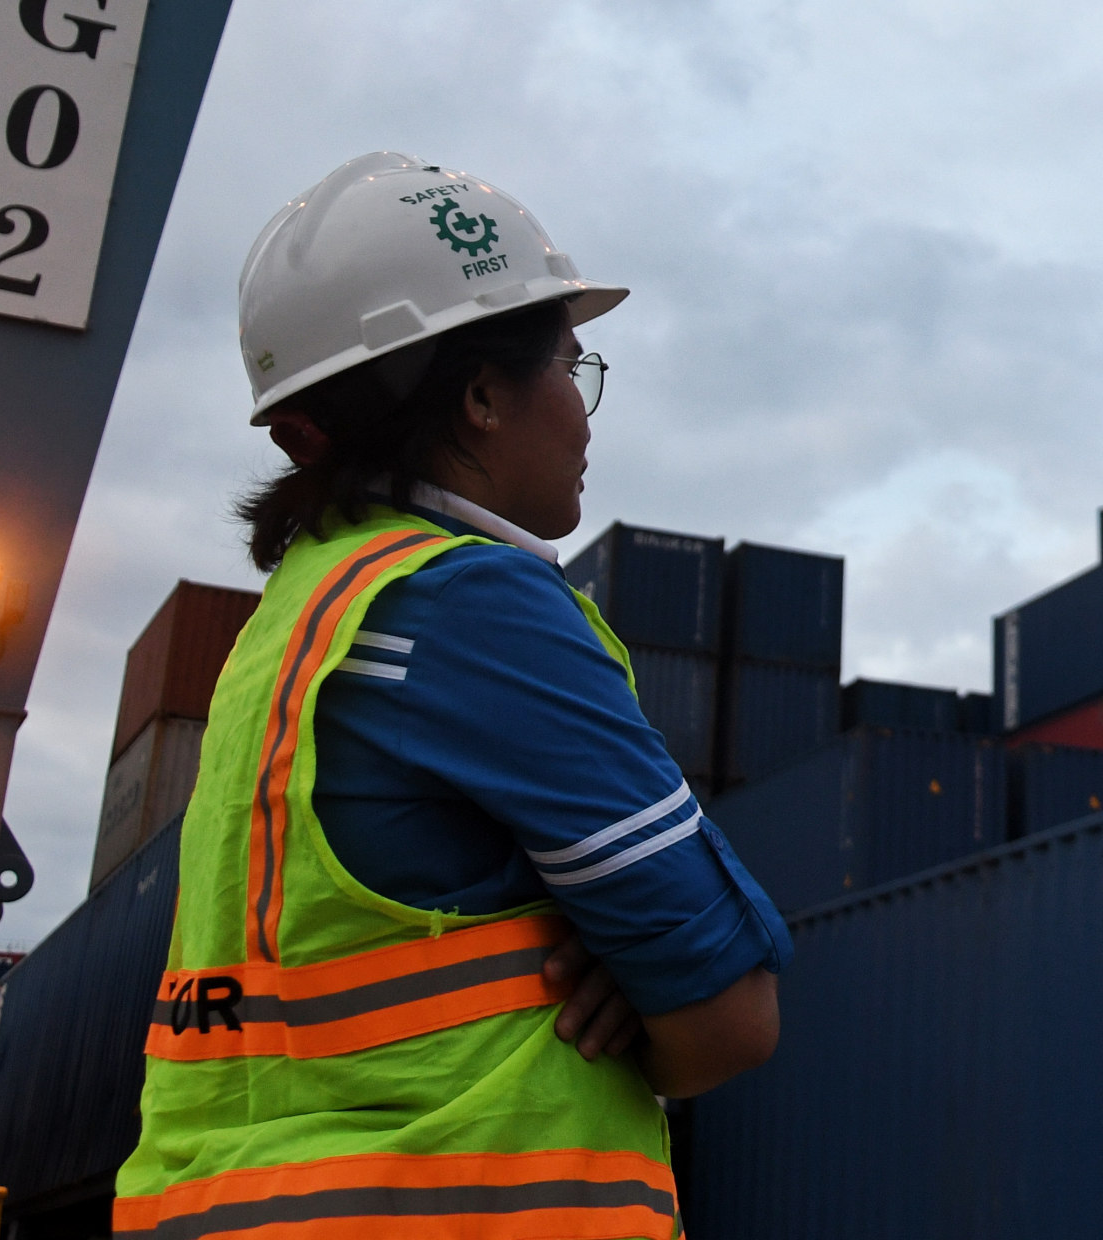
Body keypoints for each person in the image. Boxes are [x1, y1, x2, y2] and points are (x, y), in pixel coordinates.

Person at [115, 152, 786, 1240]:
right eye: (573, 363)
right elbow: (728, 1016)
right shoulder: (473, 602)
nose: (583, 409)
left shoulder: (292, 622)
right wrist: (619, 975)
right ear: (480, 395)